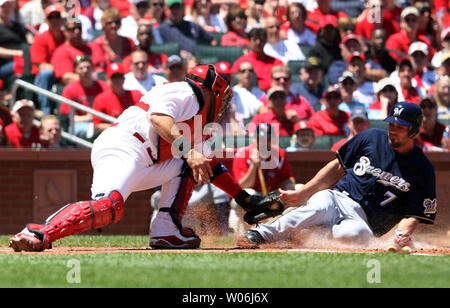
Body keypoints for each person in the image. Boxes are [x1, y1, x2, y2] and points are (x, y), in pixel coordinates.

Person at [9, 64, 263, 252]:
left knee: (190, 165)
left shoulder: (199, 122)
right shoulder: (186, 92)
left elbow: (209, 166)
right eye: (223, 97)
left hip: (147, 158)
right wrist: (188, 150)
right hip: (126, 145)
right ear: (212, 90)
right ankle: (38, 232)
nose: (224, 105)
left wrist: (245, 198)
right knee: (108, 207)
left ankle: (167, 230)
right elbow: (159, 119)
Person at [242, 102, 437, 252]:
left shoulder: (423, 168)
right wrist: (302, 192)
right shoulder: (371, 137)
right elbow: (336, 168)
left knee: (358, 236)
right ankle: (260, 233)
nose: (393, 130)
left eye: (400, 127)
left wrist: (401, 235)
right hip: (337, 197)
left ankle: (309, 235)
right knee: (319, 206)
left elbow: (415, 213)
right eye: (391, 124)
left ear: (413, 130)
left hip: (364, 221)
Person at [60, 55, 109, 139]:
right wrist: (89, 117)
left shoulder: (103, 86)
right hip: (82, 124)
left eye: (88, 67)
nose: (85, 70)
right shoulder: (69, 89)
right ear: (75, 71)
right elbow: (73, 119)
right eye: (81, 68)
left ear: (93, 68)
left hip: (102, 122)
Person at [30, 4, 66, 116]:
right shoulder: (41, 38)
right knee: (46, 73)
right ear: (46, 21)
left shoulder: (67, 36)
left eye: (57, 16)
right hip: (43, 80)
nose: (55, 20)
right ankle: (47, 112)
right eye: (51, 17)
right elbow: (41, 66)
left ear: (62, 19)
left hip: (63, 75)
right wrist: (61, 71)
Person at [50, 18, 104, 85]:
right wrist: (92, 80)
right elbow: (67, 78)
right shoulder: (61, 51)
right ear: (65, 32)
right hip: (79, 91)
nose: (77, 31)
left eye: (79, 28)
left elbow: (103, 67)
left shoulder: (93, 47)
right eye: (72, 29)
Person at [92, 62, 143, 134]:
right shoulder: (101, 99)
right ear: (108, 79)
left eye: (119, 76)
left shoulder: (136, 94)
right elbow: (97, 126)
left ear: (124, 78)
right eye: (114, 77)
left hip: (135, 135)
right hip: (112, 136)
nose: (117, 80)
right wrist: (120, 127)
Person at [231, 28, 283, 93]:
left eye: (261, 39)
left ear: (265, 41)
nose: (258, 42)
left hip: (274, 96)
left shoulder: (276, 62)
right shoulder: (241, 62)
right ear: (249, 41)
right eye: (255, 39)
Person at [0, 0, 30, 82]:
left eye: (9, 6)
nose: (7, 9)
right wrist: (18, 53)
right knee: (24, 64)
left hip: (23, 59)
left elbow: (29, 39)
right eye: (3, 6)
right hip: (5, 64)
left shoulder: (18, 26)